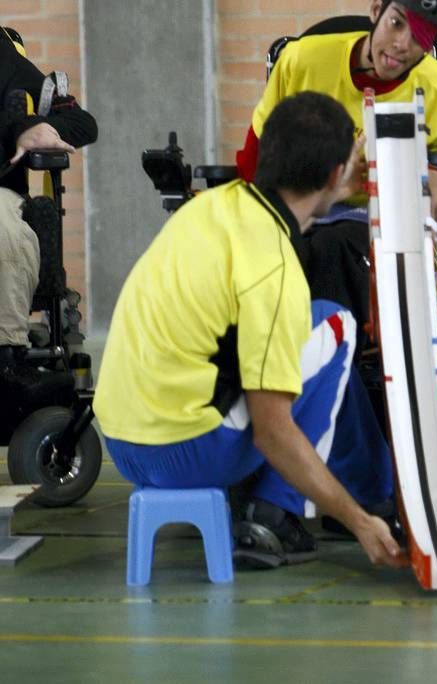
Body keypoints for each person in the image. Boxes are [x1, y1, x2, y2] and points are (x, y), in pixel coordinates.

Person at [93, 91, 404, 571]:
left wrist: (335, 186)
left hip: (121, 444)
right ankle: (273, 516)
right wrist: (359, 520)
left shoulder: (208, 209)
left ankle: (333, 488)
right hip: (184, 454)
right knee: (334, 324)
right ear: (329, 174)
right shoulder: (274, 266)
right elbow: (272, 433)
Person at [236, 0, 437, 337]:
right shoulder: (303, 59)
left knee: (334, 245)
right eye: (398, 24)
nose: (402, 45)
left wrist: (436, 175)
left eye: (420, 37)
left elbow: (435, 158)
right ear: (377, 10)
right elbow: (256, 150)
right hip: (297, 200)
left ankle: (332, 359)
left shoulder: (431, 83)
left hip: (372, 216)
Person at [0, 24, 98, 403]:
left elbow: (82, 123)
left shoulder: (6, 56)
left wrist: (33, 128)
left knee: (6, 230)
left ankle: (7, 359)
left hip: (3, 194)